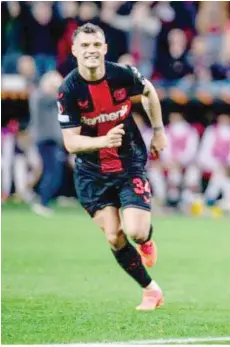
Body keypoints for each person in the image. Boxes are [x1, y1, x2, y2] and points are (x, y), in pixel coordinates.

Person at [57, 23, 167, 311]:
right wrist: (104, 139)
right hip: (92, 173)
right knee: (113, 236)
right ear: (74, 51)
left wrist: (158, 130)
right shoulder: (68, 90)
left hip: (128, 162)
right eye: (85, 46)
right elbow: (70, 143)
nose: (91, 51)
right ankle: (151, 290)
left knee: (136, 232)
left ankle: (146, 241)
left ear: (104, 49)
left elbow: (149, 91)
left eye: (96, 46)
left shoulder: (122, 74)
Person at [29, 71, 66, 217]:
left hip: (52, 141)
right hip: (45, 141)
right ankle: (42, 202)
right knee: (51, 172)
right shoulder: (40, 97)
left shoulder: (48, 99)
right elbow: (58, 98)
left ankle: (43, 201)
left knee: (54, 173)